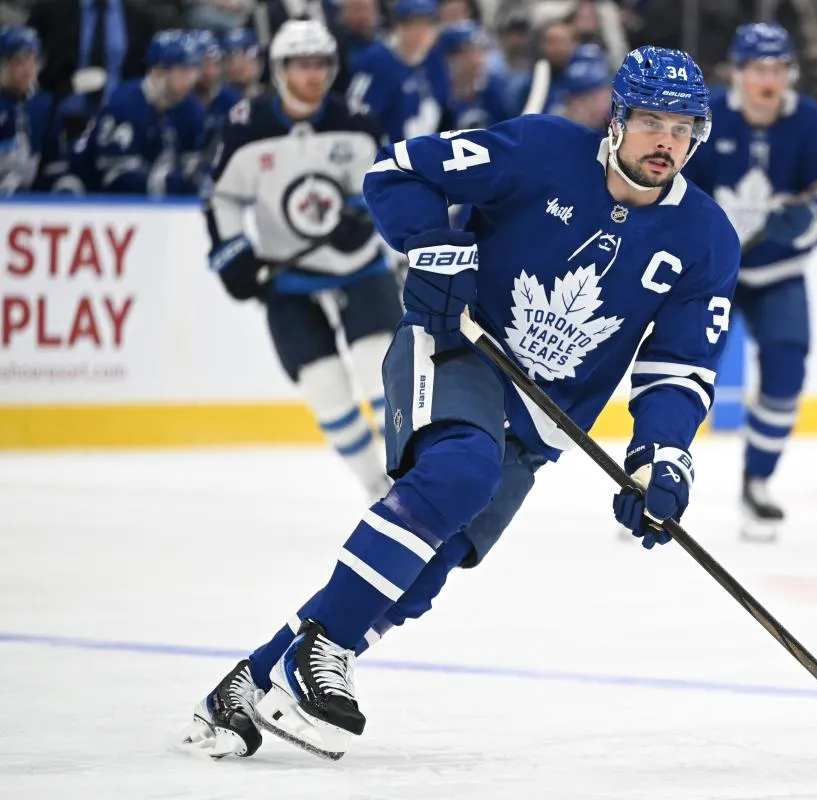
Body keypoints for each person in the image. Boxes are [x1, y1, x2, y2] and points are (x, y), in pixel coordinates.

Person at [179, 44, 739, 762]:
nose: (667, 141)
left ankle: (247, 684)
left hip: (541, 418)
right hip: (458, 349)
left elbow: (679, 365)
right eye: (652, 121)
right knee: (460, 471)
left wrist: (660, 457)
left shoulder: (706, 238)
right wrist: (435, 248)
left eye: (684, 126)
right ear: (618, 119)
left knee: (430, 567)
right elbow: (397, 171)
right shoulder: (541, 150)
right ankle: (324, 651)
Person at [201, 19, 398, 503]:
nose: (312, 75)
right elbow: (220, 198)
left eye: (320, 64)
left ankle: (406, 481)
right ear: (279, 70)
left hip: (360, 266)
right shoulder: (246, 128)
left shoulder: (357, 122)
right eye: (301, 65)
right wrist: (233, 253)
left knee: (380, 369)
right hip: (287, 277)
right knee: (323, 384)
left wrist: (369, 215)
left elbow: (392, 186)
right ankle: (376, 489)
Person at [684, 22, 817, 542]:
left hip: (780, 272)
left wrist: (808, 222)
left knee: (785, 373)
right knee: (680, 369)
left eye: (779, 69)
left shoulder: (814, 125)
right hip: (716, 273)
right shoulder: (703, 121)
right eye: (759, 69)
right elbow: (671, 189)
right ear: (737, 72)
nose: (769, 79)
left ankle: (758, 482)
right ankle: (649, 476)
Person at [70, 29, 207, 196]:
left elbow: (194, 167)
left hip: (155, 205)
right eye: (184, 71)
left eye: (194, 71)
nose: (191, 79)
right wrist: (168, 184)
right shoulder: (124, 104)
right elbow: (117, 178)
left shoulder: (190, 108)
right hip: (93, 200)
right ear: (158, 72)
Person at [344, 0, 450, 141]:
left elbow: (443, 107)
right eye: (413, 26)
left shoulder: (434, 61)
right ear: (398, 26)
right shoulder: (375, 61)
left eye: (427, 26)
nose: (421, 34)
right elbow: (355, 112)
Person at [0, 26, 54, 195]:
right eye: (19, 61)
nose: (28, 70)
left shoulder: (44, 105)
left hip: (29, 203)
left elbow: (51, 163)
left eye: (34, 60)